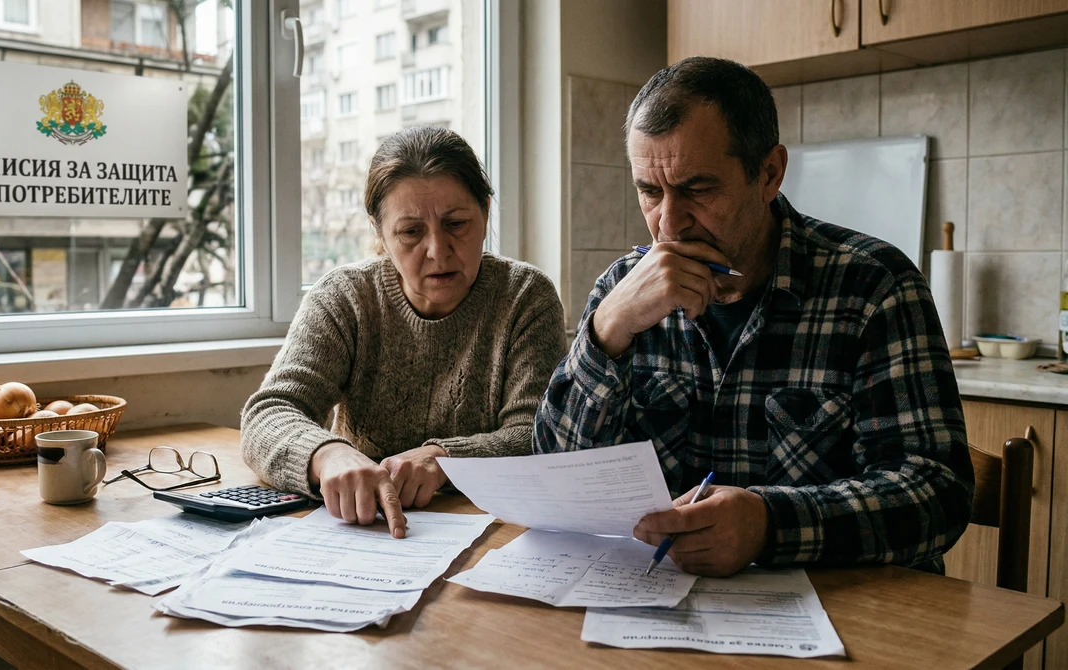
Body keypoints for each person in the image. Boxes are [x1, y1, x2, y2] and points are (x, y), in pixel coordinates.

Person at [533, 56, 973, 577]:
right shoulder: (621, 292)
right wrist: (606, 333)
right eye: (649, 192)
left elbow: (936, 491)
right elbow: (555, 479)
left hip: (846, 616)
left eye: (698, 189)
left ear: (769, 173)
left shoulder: (873, 286)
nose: (668, 224)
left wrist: (770, 525)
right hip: (666, 609)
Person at [243, 126, 567, 539]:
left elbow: (537, 437)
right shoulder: (345, 297)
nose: (437, 249)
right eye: (411, 232)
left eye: (457, 224)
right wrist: (328, 455)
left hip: (492, 534)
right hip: (364, 531)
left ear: (485, 212)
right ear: (380, 232)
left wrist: (445, 458)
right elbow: (269, 412)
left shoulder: (525, 296)